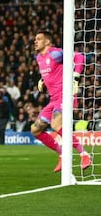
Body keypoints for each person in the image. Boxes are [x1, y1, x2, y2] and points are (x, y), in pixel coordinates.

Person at [33, 30, 91, 172]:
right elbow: (53, 71)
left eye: (39, 39)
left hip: (65, 95)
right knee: (35, 129)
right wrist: (42, 80)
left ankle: (84, 154)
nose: (35, 41)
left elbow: (79, 57)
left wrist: (75, 79)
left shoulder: (55, 53)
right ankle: (61, 155)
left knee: (56, 124)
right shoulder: (38, 58)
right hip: (54, 99)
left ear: (47, 42)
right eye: (35, 39)